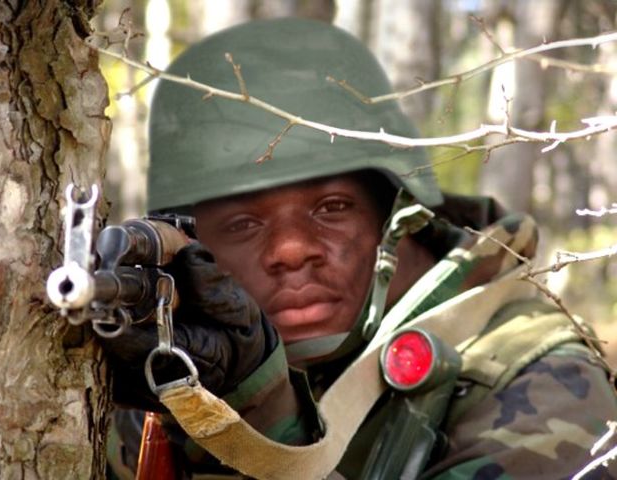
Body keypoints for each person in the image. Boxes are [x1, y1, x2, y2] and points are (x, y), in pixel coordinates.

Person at [104, 17, 617, 479]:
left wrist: (258, 409)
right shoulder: (186, 360)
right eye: (242, 224)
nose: (290, 250)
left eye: (332, 208)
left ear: (398, 216)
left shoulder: (541, 380)